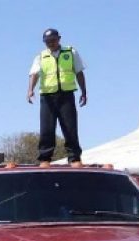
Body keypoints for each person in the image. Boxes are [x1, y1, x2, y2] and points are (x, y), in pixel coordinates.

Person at [27, 28, 87, 168]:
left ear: (59, 39)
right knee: (46, 128)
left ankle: (74, 158)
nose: (50, 44)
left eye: (53, 40)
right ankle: (45, 158)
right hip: (47, 97)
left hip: (66, 95)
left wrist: (84, 91)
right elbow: (34, 74)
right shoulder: (41, 56)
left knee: (70, 127)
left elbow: (79, 72)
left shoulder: (70, 52)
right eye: (47, 42)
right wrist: (30, 90)